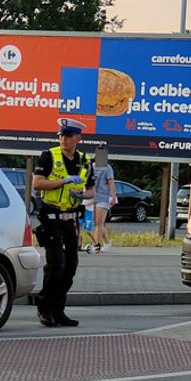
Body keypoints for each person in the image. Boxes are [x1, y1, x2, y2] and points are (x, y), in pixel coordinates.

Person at [32, 117, 95, 327]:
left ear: (78, 137)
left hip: (71, 220)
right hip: (51, 218)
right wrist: (63, 181)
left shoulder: (85, 160)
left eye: (68, 136)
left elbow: (92, 190)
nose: (63, 139)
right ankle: (44, 307)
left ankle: (59, 310)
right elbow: (37, 183)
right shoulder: (49, 156)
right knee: (56, 265)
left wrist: (83, 196)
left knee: (70, 267)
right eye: (61, 135)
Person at [89, 147, 117, 253]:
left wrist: (113, 197)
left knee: (98, 223)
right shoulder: (92, 167)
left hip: (103, 198)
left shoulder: (107, 168)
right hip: (92, 198)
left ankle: (95, 245)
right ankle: (107, 242)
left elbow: (111, 182)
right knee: (96, 222)